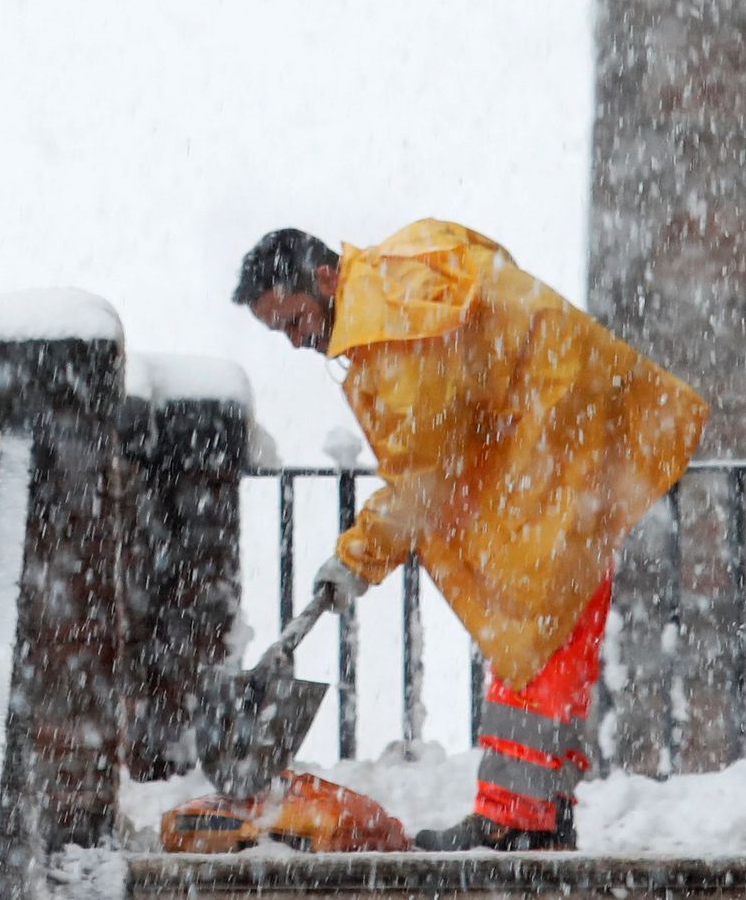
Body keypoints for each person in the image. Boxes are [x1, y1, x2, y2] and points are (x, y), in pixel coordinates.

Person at [234, 220, 707, 850]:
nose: (294, 341)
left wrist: (355, 560)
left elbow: (423, 477)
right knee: (541, 631)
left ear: (324, 279)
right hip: (563, 429)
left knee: (534, 629)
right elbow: (491, 269)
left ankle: (514, 822)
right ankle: (539, 815)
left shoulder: (389, 317)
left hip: (556, 442)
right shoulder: (399, 268)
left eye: (292, 320)